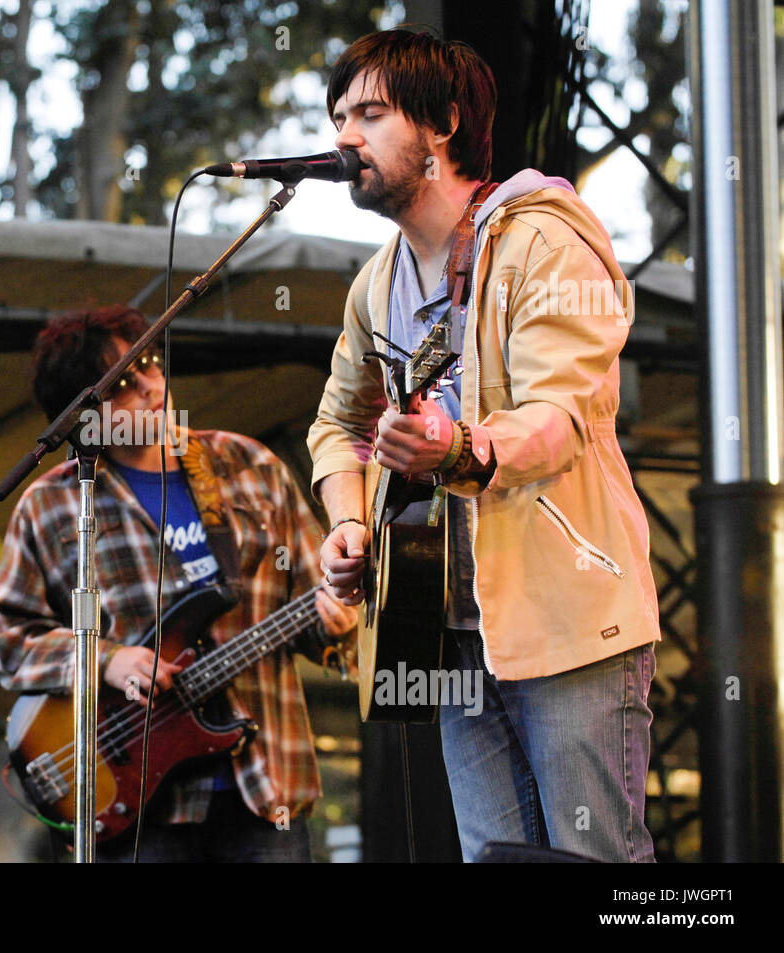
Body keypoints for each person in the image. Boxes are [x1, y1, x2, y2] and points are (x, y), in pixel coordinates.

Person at [309, 29, 661, 862]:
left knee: (599, 864)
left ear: (444, 125)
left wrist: (458, 446)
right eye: (337, 117)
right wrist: (349, 521)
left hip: (569, 620)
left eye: (371, 113)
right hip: (445, 628)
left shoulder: (543, 241)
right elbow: (337, 424)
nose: (344, 137)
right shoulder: (379, 281)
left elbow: (559, 417)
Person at [0, 306, 356, 862]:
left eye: (149, 366)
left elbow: (329, 605)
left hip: (265, 787)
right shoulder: (53, 504)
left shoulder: (247, 464)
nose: (152, 388)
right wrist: (106, 661)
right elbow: (9, 643)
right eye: (123, 384)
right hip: (136, 802)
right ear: (80, 411)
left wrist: (339, 619)